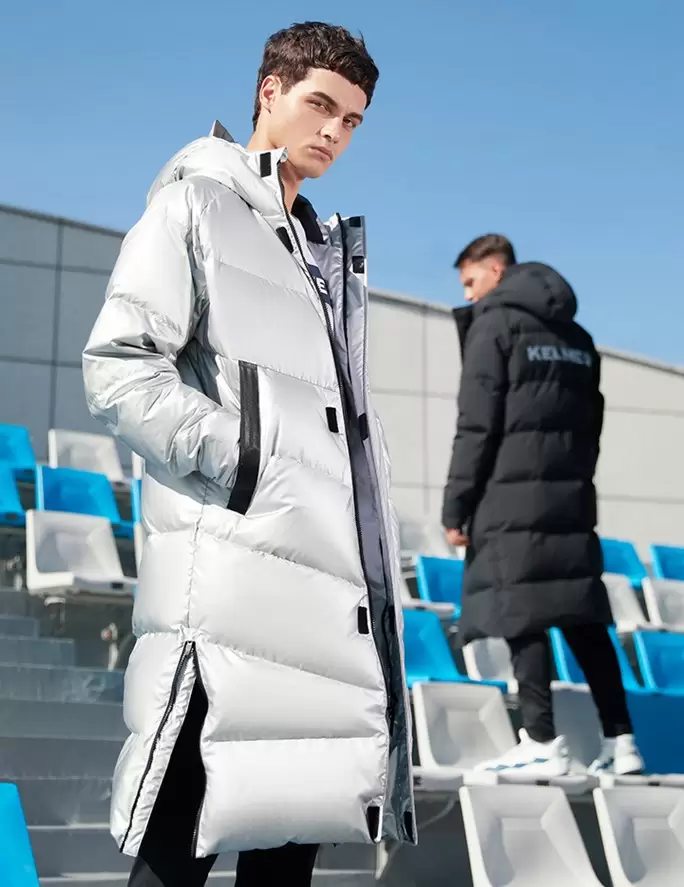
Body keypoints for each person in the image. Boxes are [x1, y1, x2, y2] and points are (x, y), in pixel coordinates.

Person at [82, 22, 415, 887]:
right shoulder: (194, 205)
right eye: (320, 105)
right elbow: (120, 366)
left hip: (317, 598)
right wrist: (248, 465)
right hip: (228, 593)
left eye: (352, 120)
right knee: (176, 846)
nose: (334, 132)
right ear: (270, 90)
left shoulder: (319, 249)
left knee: (286, 855)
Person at [442, 234, 644, 777]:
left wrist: (456, 507)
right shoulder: (578, 338)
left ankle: (541, 739)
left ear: (495, 269)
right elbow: (593, 425)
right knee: (583, 617)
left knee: (521, 608)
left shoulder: (495, 325)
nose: (468, 295)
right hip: (570, 497)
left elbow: (476, 425)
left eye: (471, 282)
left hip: (507, 496)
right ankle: (622, 741)